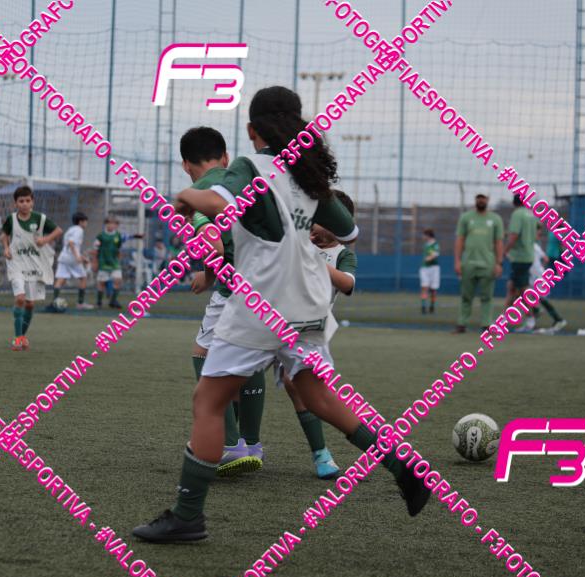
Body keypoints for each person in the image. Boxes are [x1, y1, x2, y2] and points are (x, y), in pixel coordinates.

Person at [133, 86, 430, 543]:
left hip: (261, 302)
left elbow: (218, 201)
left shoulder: (250, 167)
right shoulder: (309, 176)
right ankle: (401, 463)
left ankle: (187, 517)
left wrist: (185, 196)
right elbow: (350, 232)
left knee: (208, 402)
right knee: (318, 396)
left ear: (252, 129)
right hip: (308, 302)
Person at [180, 126, 266, 477]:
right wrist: (208, 275)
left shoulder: (200, 197)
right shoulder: (245, 183)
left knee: (203, 353)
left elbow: (214, 245)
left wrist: (210, 266)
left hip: (235, 291)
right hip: (270, 285)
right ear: (226, 158)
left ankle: (230, 445)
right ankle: (252, 444)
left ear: (186, 165)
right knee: (252, 359)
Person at [281, 189, 357, 480]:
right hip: (272, 319)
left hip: (308, 330)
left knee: (297, 385)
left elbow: (347, 284)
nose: (313, 224)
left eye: (321, 220)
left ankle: (322, 454)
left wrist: (313, 258)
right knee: (236, 375)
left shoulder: (342, 255)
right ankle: (242, 444)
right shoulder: (298, 241)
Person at [0, 185, 62, 350]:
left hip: (35, 265)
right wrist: (6, 248)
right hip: (16, 263)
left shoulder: (40, 219)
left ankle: (23, 336)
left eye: (28, 200)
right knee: (20, 299)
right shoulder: (11, 219)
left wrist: (45, 240)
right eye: (21, 201)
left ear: (32, 202)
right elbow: (4, 235)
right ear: (15, 203)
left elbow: (58, 230)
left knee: (30, 304)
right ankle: (17, 338)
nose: (25, 204)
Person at [453, 194, 504, 333]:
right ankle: (462, 324)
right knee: (466, 296)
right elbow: (460, 239)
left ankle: (486, 325)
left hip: (488, 265)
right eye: (478, 197)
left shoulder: (496, 219)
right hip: (468, 264)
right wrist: (457, 261)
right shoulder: (465, 217)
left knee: (487, 297)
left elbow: (499, 242)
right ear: (475, 199)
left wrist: (499, 263)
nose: (481, 200)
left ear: (488, 199)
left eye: (483, 198)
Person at [521, 224, 566, 333]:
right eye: (538, 233)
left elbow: (545, 258)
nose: (539, 235)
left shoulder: (533, 246)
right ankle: (537, 313)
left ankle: (558, 319)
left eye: (540, 233)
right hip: (536, 275)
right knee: (525, 295)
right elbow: (545, 258)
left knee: (532, 297)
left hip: (538, 277)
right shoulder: (534, 246)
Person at [93, 216, 141, 309]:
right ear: (106, 224)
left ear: (116, 225)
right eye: (109, 223)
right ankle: (99, 302)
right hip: (103, 262)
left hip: (114, 262)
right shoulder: (101, 236)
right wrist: (95, 262)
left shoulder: (118, 235)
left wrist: (137, 236)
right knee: (101, 282)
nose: (111, 225)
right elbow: (95, 250)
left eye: (114, 224)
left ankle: (113, 301)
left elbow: (124, 241)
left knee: (118, 280)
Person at [503, 194, 538, 313]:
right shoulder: (531, 215)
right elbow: (534, 234)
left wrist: (504, 251)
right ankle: (506, 317)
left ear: (514, 203)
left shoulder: (517, 214)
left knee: (520, 290)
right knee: (512, 287)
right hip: (528, 255)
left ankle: (532, 314)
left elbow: (514, 235)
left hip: (519, 257)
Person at [53, 212, 93, 309]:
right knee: (83, 278)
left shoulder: (70, 229)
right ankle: (80, 303)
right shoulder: (79, 230)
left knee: (60, 279)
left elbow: (70, 244)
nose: (86, 223)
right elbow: (71, 243)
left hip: (64, 257)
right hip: (72, 258)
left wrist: (81, 257)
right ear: (81, 222)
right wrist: (77, 257)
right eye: (85, 221)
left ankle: (55, 302)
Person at [419, 228, 440, 315]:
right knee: (424, 287)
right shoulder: (426, 245)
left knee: (433, 289)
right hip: (425, 268)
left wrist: (430, 258)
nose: (423, 237)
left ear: (428, 235)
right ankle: (423, 307)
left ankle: (432, 307)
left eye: (424, 235)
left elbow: (435, 254)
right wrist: (428, 258)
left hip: (434, 269)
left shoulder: (435, 244)